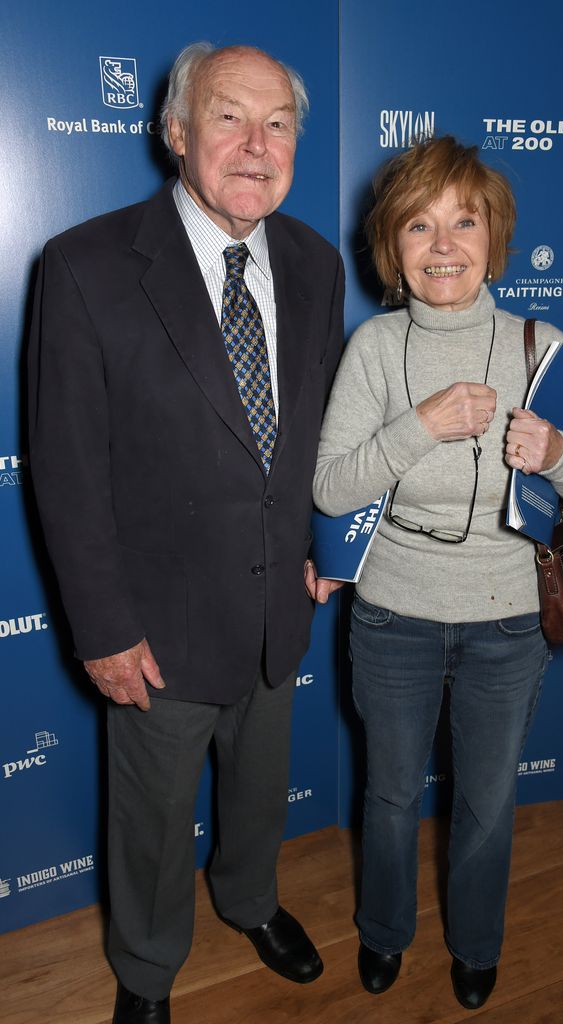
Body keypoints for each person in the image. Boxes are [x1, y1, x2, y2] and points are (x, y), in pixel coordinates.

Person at [28, 43, 343, 1024]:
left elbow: (316, 435)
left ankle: (250, 899)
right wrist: (104, 625)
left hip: (276, 604)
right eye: (228, 118)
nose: (256, 145)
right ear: (174, 132)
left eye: (278, 123)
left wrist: (329, 548)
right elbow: (69, 471)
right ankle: (149, 969)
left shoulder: (314, 261)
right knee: (153, 822)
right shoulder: (84, 266)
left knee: (258, 789)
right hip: (154, 627)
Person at [313, 136, 563, 1009]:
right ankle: (384, 934)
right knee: (393, 795)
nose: (443, 244)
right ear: (392, 249)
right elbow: (331, 488)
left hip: (509, 620)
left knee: (486, 804)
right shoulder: (374, 348)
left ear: (493, 238)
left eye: (463, 221)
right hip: (393, 618)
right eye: (419, 224)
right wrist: (419, 426)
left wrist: (558, 450)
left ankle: (477, 946)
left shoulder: (535, 341)